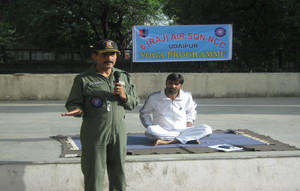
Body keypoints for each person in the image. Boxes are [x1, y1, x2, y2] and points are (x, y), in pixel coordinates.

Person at [61, 39, 139, 191]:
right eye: (104, 54)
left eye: (112, 54)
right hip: (94, 132)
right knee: (94, 173)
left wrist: (124, 96)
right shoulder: (83, 79)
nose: (109, 58)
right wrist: (77, 109)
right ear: (94, 56)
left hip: (118, 131)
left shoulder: (123, 76)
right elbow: (73, 102)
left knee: (118, 172)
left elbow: (134, 103)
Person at [139, 73, 212, 146]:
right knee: (150, 131)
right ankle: (188, 138)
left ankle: (167, 141)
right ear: (166, 83)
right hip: (162, 130)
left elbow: (191, 111)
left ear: (181, 86)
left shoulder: (187, 96)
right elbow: (144, 113)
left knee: (207, 129)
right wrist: (149, 125)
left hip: (183, 130)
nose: (173, 86)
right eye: (170, 83)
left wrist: (189, 121)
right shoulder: (154, 97)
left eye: (176, 84)